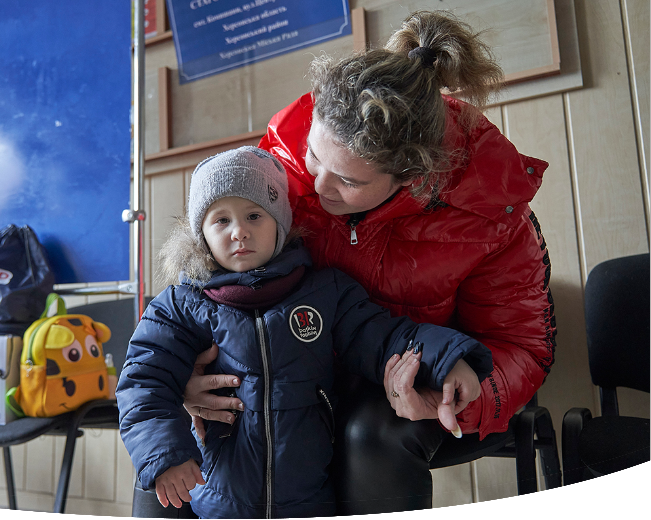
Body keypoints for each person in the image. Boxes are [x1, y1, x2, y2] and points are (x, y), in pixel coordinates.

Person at [181, 10, 557, 519]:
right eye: (315, 156)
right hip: (284, 369)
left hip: (404, 380)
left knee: (370, 435)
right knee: (173, 439)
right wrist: (182, 373)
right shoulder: (279, 166)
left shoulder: (492, 212)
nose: (315, 186)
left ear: (411, 175)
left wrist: (456, 395)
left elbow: (521, 347)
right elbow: (201, 281)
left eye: (348, 181)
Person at [117, 146, 493, 518]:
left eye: (253, 215)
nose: (239, 233)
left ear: (280, 225)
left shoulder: (325, 292)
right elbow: (143, 380)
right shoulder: (181, 306)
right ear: (200, 233)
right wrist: (165, 454)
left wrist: (445, 361)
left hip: (309, 500)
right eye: (221, 221)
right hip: (220, 501)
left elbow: (385, 337)